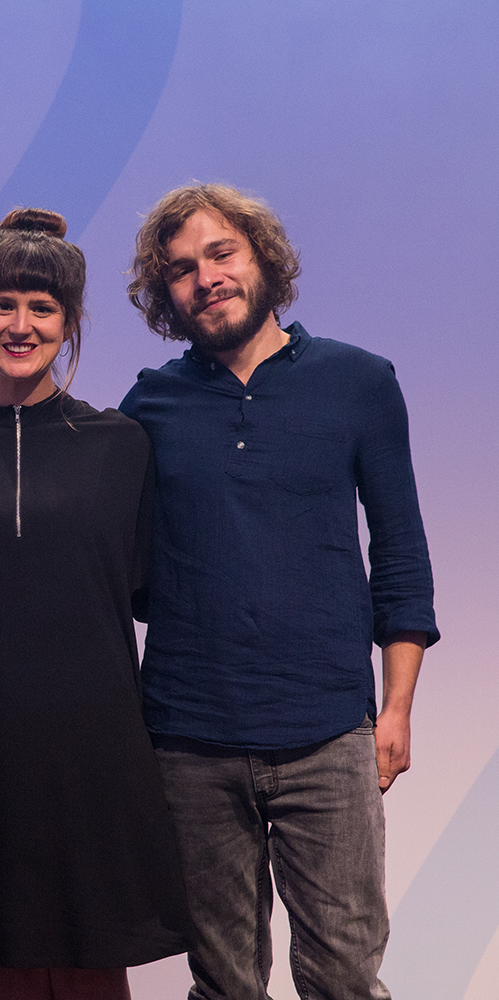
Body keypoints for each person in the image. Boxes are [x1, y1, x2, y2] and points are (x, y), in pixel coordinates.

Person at [119, 183, 438, 1000]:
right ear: (167, 296)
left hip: (328, 733)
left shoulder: (360, 381)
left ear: (262, 256)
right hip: (188, 739)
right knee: (223, 984)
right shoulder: (149, 405)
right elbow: (104, 552)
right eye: (183, 269)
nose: (207, 278)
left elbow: (400, 554)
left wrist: (395, 709)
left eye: (221, 253)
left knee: (341, 977)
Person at [0, 209, 189, 1000]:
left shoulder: (122, 445)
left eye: (42, 307)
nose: (21, 325)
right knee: (5, 955)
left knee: (95, 956)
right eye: (4, 304)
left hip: (94, 748)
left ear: (71, 321)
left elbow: (152, 589)